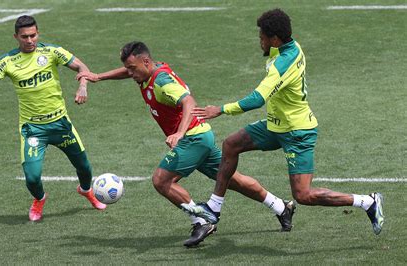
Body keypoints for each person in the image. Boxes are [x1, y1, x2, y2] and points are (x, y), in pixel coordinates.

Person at [182, 8, 384, 235]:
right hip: (275, 125)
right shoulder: (292, 47)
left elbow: (257, 99)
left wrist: (220, 109)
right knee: (231, 144)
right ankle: (214, 208)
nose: (260, 42)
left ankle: (368, 202)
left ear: (275, 40)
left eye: (262, 38)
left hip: (298, 133)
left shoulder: (282, 64)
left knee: (303, 195)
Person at [76, 41, 296, 248]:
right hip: (202, 135)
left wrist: (179, 133)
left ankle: (201, 221)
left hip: (193, 138)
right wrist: (98, 77)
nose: (130, 73)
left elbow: (189, 101)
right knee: (232, 180)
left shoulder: (162, 82)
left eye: (132, 68)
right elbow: (127, 71)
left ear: (145, 62)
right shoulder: (147, 71)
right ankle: (280, 206)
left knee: (161, 180)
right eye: (128, 69)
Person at [0, 15, 106, 222]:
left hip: (60, 124)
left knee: (84, 167)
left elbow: (82, 68)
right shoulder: (6, 61)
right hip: (33, 129)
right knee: (32, 177)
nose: (30, 40)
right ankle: (39, 198)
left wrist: (83, 85)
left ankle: (86, 190)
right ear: (16, 37)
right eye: (24, 37)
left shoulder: (52, 52)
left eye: (33, 35)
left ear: (38, 33)